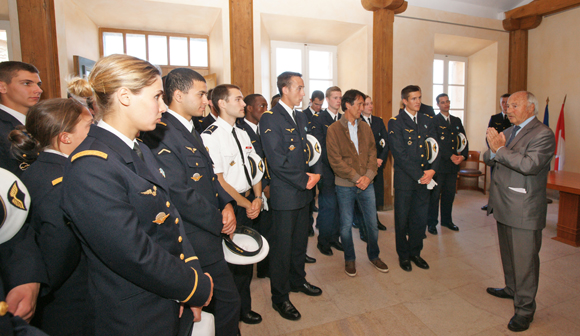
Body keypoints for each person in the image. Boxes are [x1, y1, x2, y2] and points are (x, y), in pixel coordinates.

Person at [61, 54, 213, 336]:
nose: (163, 106)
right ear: (124, 97)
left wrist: (189, 275)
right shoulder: (91, 167)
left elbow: (171, 219)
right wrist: (193, 287)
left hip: (167, 293)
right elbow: (134, 253)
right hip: (135, 312)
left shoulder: (138, 148)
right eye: (157, 96)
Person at [141, 69, 241, 335]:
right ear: (178, 94)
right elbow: (178, 192)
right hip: (193, 234)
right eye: (200, 94)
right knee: (228, 301)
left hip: (207, 227)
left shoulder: (189, 127)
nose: (206, 101)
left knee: (219, 303)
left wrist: (226, 203)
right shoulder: (160, 133)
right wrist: (216, 219)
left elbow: (208, 176)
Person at [10, 98, 93, 335]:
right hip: (72, 299)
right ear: (65, 138)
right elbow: (61, 243)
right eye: (88, 127)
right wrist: (43, 286)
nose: (94, 134)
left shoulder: (38, 168)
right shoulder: (63, 180)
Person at [484, 91, 555, 332]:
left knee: (525, 262)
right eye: (508, 105)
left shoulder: (543, 134)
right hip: (503, 204)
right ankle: (511, 289)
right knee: (508, 254)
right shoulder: (509, 130)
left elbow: (529, 165)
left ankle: (525, 309)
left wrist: (500, 149)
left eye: (514, 105)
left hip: (523, 209)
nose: (508, 109)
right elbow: (489, 156)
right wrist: (494, 149)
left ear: (531, 108)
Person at [260, 71, 322, 321]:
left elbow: (312, 148)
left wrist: (315, 174)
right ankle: (280, 297)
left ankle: (298, 281)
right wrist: (305, 181)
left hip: (304, 193)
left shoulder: (300, 115)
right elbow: (276, 161)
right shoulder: (270, 119)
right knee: (282, 249)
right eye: (299, 88)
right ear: (285, 89)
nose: (303, 93)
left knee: (299, 244)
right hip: (286, 195)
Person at [201, 85, 263, 326]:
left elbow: (255, 167)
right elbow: (218, 180)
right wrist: (247, 203)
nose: (243, 103)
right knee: (230, 264)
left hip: (249, 202)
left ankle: (243, 308)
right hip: (232, 205)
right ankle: (229, 312)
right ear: (222, 104)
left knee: (246, 260)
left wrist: (257, 198)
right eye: (237, 99)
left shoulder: (243, 132)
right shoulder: (211, 135)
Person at [0, 61, 46, 324]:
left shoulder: (35, 122)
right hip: (18, 228)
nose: (37, 89)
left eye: (38, 83)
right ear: (2, 86)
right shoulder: (3, 130)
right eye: (27, 83)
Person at [326, 89, 389, 277]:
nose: (363, 108)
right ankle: (350, 259)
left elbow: (372, 152)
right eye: (359, 104)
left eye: (363, 104)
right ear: (347, 105)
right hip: (345, 185)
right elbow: (335, 161)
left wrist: (368, 176)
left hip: (367, 183)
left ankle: (374, 255)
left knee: (372, 224)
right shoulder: (334, 129)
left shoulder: (365, 127)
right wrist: (356, 178)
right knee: (345, 226)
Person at [388, 85, 439, 272]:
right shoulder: (395, 122)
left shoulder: (427, 120)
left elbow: (435, 147)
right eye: (413, 99)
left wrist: (432, 171)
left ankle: (416, 253)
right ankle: (403, 256)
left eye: (419, 98)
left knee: (420, 219)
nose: (417, 102)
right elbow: (399, 155)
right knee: (402, 220)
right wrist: (420, 175)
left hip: (425, 178)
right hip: (406, 180)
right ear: (404, 101)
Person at [238, 94, 272, 279]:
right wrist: (264, 185)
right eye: (261, 105)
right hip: (253, 190)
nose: (264, 109)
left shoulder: (265, 127)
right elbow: (249, 164)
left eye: (266, 105)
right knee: (255, 230)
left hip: (268, 187)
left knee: (268, 229)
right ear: (249, 108)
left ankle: (265, 268)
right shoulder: (240, 130)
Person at [427, 93, 468, 235]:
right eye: (442, 102)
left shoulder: (456, 120)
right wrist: (449, 155)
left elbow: (463, 140)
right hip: (440, 165)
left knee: (449, 194)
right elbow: (435, 143)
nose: (446, 104)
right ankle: (432, 223)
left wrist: (462, 156)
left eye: (447, 101)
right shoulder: (434, 121)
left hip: (453, 165)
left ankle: (447, 220)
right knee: (435, 196)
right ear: (438, 105)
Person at [311, 86, 344, 256]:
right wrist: (337, 163)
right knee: (328, 207)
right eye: (335, 97)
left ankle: (334, 238)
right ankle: (323, 241)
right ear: (327, 99)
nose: (338, 100)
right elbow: (319, 147)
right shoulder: (319, 119)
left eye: (340, 97)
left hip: (343, 172)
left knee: (340, 207)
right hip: (327, 170)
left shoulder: (344, 119)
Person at [360, 95, 389, 231]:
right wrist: (370, 161)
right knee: (362, 194)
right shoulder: (356, 121)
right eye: (366, 104)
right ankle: (360, 221)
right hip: (363, 165)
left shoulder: (378, 121)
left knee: (376, 193)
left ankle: (375, 220)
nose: (370, 106)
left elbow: (386, 141)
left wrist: (381, 159)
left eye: (371, 103)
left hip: (377, 164)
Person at [482, 93, 512, 211]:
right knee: (494, 179)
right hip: (495, 154)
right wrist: (492, 148)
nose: (505, 105)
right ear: (500, 104)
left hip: (508, 154)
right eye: (503, 102)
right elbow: (488, 134)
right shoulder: (495, 118)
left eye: (507, 102)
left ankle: (502, 205)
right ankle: (492, 204)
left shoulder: (513, 118)